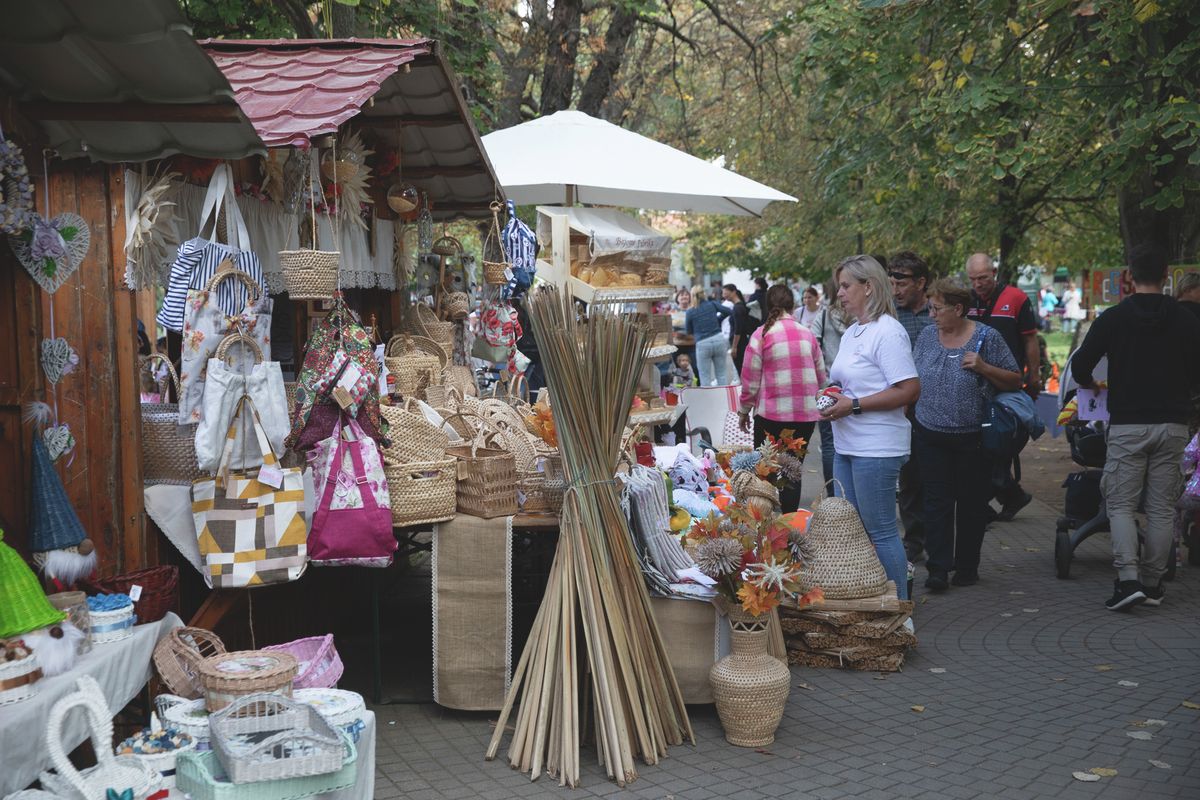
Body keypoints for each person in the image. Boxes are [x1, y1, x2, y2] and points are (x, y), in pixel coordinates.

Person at [1072, 244, 1200, 611]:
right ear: (1165, 278)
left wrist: (1095, 384)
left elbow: (1082, 366)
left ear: (1128, 276)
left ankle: (1127, 580)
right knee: (1161, 508)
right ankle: (1153, 582)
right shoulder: (1187, 320)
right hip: (1174, 423)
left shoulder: (1113, 319)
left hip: (1129, 423)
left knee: (1122, 505)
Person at [820, 255, 921, 600]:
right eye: (839, 286)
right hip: (847, 445)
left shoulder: (889, 332)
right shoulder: (852, 332)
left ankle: (899, 612)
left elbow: (909, 390)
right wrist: (832, 394)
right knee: (854, 530)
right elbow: (848, 383)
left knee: (880, 531)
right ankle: (871, 601)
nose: (840, 294)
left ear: (870, 287)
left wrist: (855, 404)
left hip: (876, 448)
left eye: (846, 286)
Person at [912, 278, 1022, 591]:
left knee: (972, 504)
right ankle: (937, 568)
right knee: (936, 503)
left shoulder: (987, 337)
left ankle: (967, 567)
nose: (932, 314)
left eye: (937, 308)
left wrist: (985, 367)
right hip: (930, 433)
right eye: (930, 307)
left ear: (958, 308)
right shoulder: (926, 337)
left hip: (973, 438)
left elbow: (1015, 379)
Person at [738, 284, 826, 513]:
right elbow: (821, 376)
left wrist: (744, 410)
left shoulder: (761, 335)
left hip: (771, 416)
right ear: (793, 306)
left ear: (768, 306)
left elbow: (750, 379)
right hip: (805, 416)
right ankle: (789, 529)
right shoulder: (807, 333)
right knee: (792, 473)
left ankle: (764, 527)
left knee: (765, 471)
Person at [965, 253, 1040, 521]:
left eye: (983, 278)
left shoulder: (1017, 299)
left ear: (994, 272)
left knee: (998, 442)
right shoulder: (967, 300)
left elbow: (1030, 340)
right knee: (980, 446)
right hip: (974, 385)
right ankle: (1007, 495)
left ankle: (993, 498)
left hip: (1006, 383)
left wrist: (1034, 375)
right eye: (973, 279)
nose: (978, 284)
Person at [890, 251, 934, 563]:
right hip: (904, 409)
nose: (895, 289)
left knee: (938, 480)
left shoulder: (939, 312)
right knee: (909, 480)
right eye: (892, 282)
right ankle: (914, 540)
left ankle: (940, 542)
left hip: (939, 410)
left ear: (921, 282)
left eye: (902, 282)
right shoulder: (891, 316)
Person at [808, 285, 847, 488]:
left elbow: (812, 345)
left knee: (830, 443)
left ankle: (834, 496)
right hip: (858, 388)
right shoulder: (864, 318)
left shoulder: (824, 316)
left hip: (829, 385)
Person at [685, 285, 732, 386]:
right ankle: (724, 398)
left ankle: (708, 400)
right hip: (718, 339)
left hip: (702, 343)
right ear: (704, 294)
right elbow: (728, 311)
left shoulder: (690, 312)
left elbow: (688, 331)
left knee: (704, 376)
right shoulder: (712, 304)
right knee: (721, 374)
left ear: (691, 296)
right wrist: (718, 320)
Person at [724, 283, 759, 373]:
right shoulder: (740, 306)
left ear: (733, 292)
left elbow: (738, 329)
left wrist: (734, 347)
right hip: (742, 343)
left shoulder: (738, 308)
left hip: (740, 345)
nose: (723, 295)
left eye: (725, 293)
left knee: (742, 371)